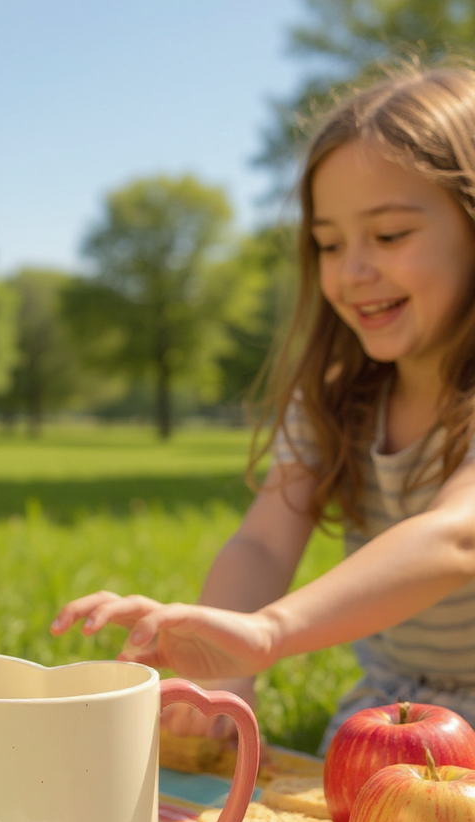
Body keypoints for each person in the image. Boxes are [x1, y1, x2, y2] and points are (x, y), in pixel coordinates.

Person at [51, 62, 475, 754]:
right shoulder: (339, 398)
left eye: (390, 235)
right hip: (397, 705)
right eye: (329, 244)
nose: (352, 271)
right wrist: (224, 660)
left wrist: (268, 633)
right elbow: (264, 542)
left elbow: (458, 537)